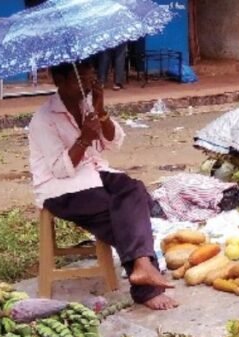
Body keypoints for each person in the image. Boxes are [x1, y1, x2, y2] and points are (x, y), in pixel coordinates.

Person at [29, 60, 176, 310]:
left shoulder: (85, 105)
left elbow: (113, 141)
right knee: (118, 211)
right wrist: (84, 138)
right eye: (81, 80)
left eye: (91, 78)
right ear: (59, 81)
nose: (87, 85)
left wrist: (101, 110)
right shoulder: (43, 120)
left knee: (134, 189)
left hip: (93, 174)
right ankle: (146, 282)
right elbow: (60, 169)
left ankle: (142, 266)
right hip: (61, 190)